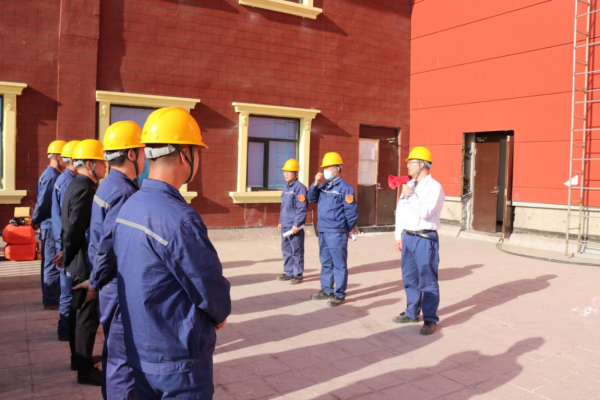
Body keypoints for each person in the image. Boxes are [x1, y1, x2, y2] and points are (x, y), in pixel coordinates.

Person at [112, 107, 231, 399]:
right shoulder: (179, 218)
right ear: (185, 155)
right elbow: (208, 286)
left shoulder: (130, 206)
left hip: (141, 351)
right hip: (178, 364)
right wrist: (220, 313)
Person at [74, 121, 145, 399]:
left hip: (108, 283)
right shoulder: (125, 192)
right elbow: (108, 246)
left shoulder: (107, 185)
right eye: (142, 151)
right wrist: (96, 282)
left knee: (114, 353)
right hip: (115, 284)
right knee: (123, 361)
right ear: (131, 154)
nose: (145, 158)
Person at [59, 139, 106, 385]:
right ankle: (84, 370)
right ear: (90, 164)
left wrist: (66, 255)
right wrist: (67, 256)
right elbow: (75, 228)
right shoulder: (85, 189)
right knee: (86, 318)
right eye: (101, 162)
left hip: (76, 260)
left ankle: (78, 360)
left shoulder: (74, 184)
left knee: (77, 312)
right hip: (82, 262)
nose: (105, 167)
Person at [392, 146, 445, 336]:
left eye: (411, 163)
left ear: (422, 164)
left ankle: (430, 319)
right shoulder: (410, 185)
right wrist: (398, 235)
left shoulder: (434, 187)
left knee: (428, 280)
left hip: (425, 239)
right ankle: (411, 312)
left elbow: (426, 212)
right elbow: (401, 212)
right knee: (410, 278)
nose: (407, 166)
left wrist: (410, 195)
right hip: (408, 238)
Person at [307, 152, 358, 307]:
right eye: (325, 167)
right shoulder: (324, 186)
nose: (326, 170)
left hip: (336, 231)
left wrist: (346, 229)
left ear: (338, 168)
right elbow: (311, 198)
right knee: (326, 262)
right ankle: (326, 290)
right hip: (323, 229)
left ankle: (339, 294)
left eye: (329, 167)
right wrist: (315, 183)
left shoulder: (345, 188)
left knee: (339, 264)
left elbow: (351, 212)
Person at [51, 139, 80, 341]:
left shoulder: (63, 179)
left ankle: (65, 329)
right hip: (65, 244)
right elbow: (69, 220)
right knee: (68, 290)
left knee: (66, 289)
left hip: (61, 241)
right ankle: (65, 330)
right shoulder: (69, 182)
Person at [32, 139, 66, 310]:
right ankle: (51, 300)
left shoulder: (52, 175)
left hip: (49, 224)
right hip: (49, 225)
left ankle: (50, 297)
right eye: (63, 157)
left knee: (49, 262)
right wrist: (35, 219)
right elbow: (43, 202)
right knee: (52, 263)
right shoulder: (52, 176)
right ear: (55, 157)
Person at [277, 159, 308, 284]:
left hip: (294, 227)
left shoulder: (300, 188)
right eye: (285, 171)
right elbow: (283, 206)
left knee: (296, 251)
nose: (286, 174)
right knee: (286, 250)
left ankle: (297, 275)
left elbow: (301, 208)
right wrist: (280, 221)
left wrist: (297, 224)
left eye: (289, 171)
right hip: (285, 224)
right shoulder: (286, 187)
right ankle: (288, 272)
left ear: (296, 173)